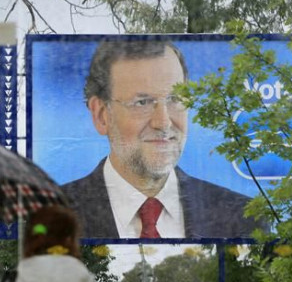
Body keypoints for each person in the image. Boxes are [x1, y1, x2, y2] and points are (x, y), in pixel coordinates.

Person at [61, 39, 262, 238]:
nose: (163, 122)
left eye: (175, 99)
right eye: (142, 102)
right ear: (102, 115)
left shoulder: (244, 218)